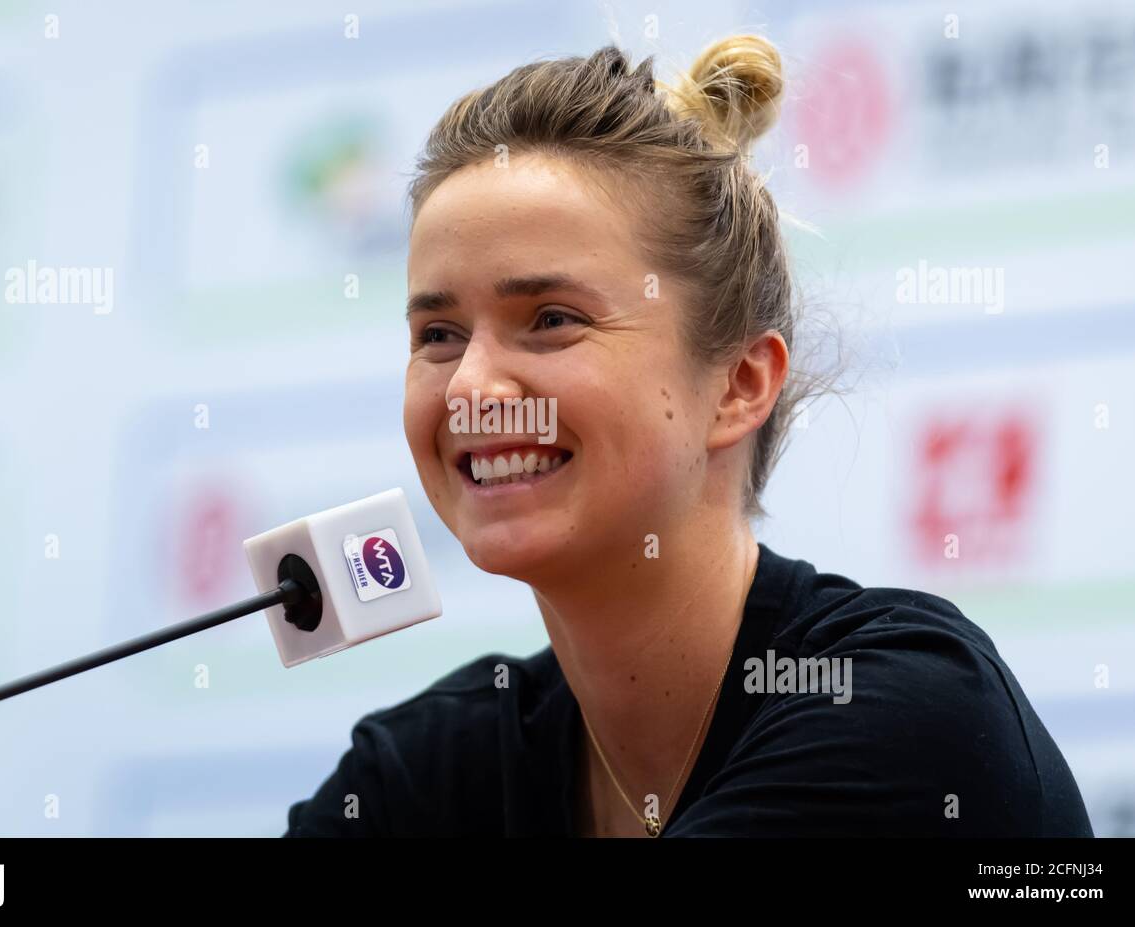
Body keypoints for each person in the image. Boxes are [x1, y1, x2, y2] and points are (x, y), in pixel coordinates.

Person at [284, 35, 1093, 837]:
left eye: (552, 320)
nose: (469, 388)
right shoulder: (421, 770)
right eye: (438, 334)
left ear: (739, 386)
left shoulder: (900, 707)